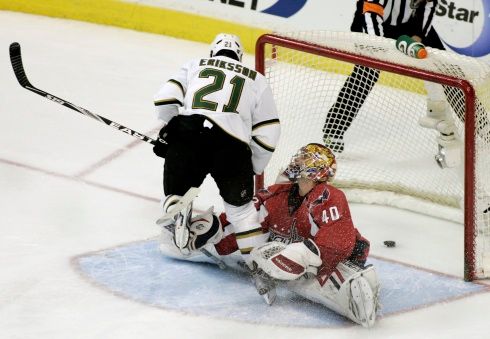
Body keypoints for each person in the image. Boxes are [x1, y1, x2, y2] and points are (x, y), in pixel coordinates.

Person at [158, 143, 380, 328]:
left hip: (336, 259)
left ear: (317, 169)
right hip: (290, 250)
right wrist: (213, 229)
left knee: (335, 274)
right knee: (246, 243)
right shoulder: (277, 193)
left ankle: (353, 287)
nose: (297, 161)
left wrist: (301, 257)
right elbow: (246, 219)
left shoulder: (328, 195)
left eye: (305, 159)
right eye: (299, 157)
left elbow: (338, 240)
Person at [152, 33, 281, 260]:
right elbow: (269, 130)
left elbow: (165, 100)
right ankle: (260, 267)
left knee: (176, 194)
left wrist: (170, 131)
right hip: (232, 145)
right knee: (241, 212)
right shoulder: (256, 79)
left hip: (189, 133)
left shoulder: (194, 65)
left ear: (212, 53)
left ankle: (178, 208)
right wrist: (251, 167)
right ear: (239, 57)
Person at [323, 0, 465, 168]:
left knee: (445, 70)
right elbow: (371, 12)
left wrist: (417, 36)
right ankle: (334, 129)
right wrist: (378, 48)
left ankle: (481, 125)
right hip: (370, 22)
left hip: (408, 26)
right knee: (367, 73)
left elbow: (428, 5)